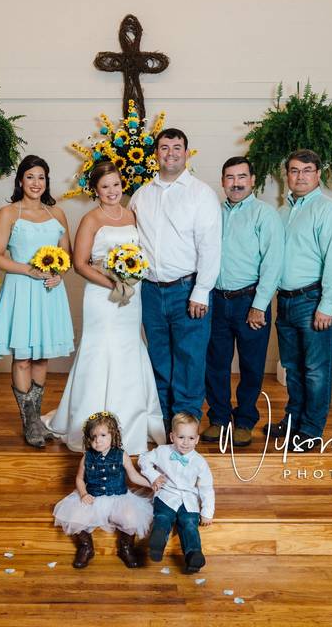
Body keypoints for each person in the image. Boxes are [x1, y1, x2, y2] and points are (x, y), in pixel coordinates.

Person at [42, 161, 166, 454]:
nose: (112, 191)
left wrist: (128, 280)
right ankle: (92, 424)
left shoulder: (132, 215)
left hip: (131, 296)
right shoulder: (91, 219)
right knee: (100, 350)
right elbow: (80, 263)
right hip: (102, 295)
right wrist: (112, 283)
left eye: (116, 185)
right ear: (96, 190)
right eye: (105, 186)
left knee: (129, 347)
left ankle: (131, 422)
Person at [130, 128, 221, 427]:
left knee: (190, 360)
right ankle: (163, 423)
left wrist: (201, 291)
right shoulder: (141, 196)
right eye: (165, 147)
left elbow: (210, 246)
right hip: (151, 291)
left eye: (177, 147)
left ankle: (185, 428)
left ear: (186, 152)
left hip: (187, 289)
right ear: (156, 153)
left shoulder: (201, 193)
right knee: (159, 358)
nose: (171, 152)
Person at [265, 149, 332, 449]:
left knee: (316, 370)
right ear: (286, 175)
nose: (299, 176)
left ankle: (312, 430)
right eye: (293, 170)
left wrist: (328, 306)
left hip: (314, 300)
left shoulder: (329, 211)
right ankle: (293, 419)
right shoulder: (284, 211)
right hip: (286, 300)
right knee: (293, 366)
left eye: (306, 170)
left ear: (318, 174)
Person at [0, 155, 74, 447]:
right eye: (30, 177)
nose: (36, 183)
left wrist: (58, 274)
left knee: (42, 356)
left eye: (41, 177)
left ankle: (37, 417)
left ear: (46, 181)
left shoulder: (57, 214)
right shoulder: (8, 213)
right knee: (23, 356)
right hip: (21, 289)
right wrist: (30, 270)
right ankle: (29, 421)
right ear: (20, 180)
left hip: (49, 292)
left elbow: (67, 257)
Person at [201, 156, 283, 448]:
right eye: (230, 178)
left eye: (241, 177)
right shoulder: (212, 212)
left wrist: (259, 304)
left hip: (251, 300)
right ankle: (219, 417)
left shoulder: (265, 214)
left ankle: (245, 419)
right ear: (222, 181)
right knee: (216, 363)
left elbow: (273, 264)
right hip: (217, 301)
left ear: (252, 179)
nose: (235, 184)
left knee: (251, 364)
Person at [52, 412, 154, 569]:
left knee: (131, 518)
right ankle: (86, 547)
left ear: (113, 435)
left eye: (103, 435)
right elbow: (79, 479)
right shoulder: (87, 457)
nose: (97, 440)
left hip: (119, 498)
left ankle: (126, 547)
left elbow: (133, 476)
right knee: (75, 517)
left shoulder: (122, 455)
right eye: (93, 437)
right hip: (94, 497)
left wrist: (151, 484)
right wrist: (84, 493)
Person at [138, 413, 215, 574]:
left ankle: (193, 554)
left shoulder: (200, 462)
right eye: (181, 437)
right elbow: (143, 459)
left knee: (189, 523)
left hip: (189, 500)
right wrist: (154, 476)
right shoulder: (162, 451)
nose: (186, 443)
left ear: (197, 439)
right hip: (166, 494)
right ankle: (157, 544)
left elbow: (206, 488)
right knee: (163, 517)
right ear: (172, 436)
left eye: (191, 438)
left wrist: (207, 512)